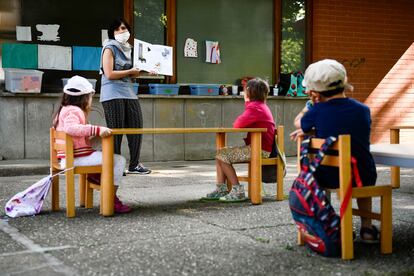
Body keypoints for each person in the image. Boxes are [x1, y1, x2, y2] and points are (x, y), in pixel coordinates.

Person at [290, 59, 379, 243]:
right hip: (361, 175)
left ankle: (327, 224)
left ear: (315, 91)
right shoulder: (363, 110)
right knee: (363, 177)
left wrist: (308, 107)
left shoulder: (317, 110)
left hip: (327, 176)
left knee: (321, 175)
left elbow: (299, 123)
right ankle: (367, 227)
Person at [53, 75, 131, 214]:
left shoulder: (63, 109)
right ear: (84, 97)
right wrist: (97, 129)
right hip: (75, 158)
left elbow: (73, 132)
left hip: (68, 156)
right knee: (119, 160)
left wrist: (93, 134)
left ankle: (96, 175)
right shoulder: (74, 110)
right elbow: (71, 128)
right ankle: (110, 199)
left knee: (100, 145)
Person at [203, 78, 276, 202]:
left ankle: (237, 190)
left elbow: (238, 124)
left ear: (248, 92)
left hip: (259, 150)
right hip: (261, 148)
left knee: (222, 154)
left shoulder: (255, 108)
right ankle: (222, 189)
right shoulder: (261, 106)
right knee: (221, 153)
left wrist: (247, 103)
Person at [100, 18, 151, 175]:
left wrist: (147, 70)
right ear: (112, 33)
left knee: (136, 128)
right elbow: (109, 74)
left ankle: (134, 165)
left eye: (124, 28)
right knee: (116, 130)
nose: (122, 32)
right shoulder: (109, 48)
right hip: (112, 94)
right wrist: (130, 72)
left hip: (129, 92)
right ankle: (115, 165)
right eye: (117, 29)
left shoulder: (132, 49)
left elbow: (133, 74)